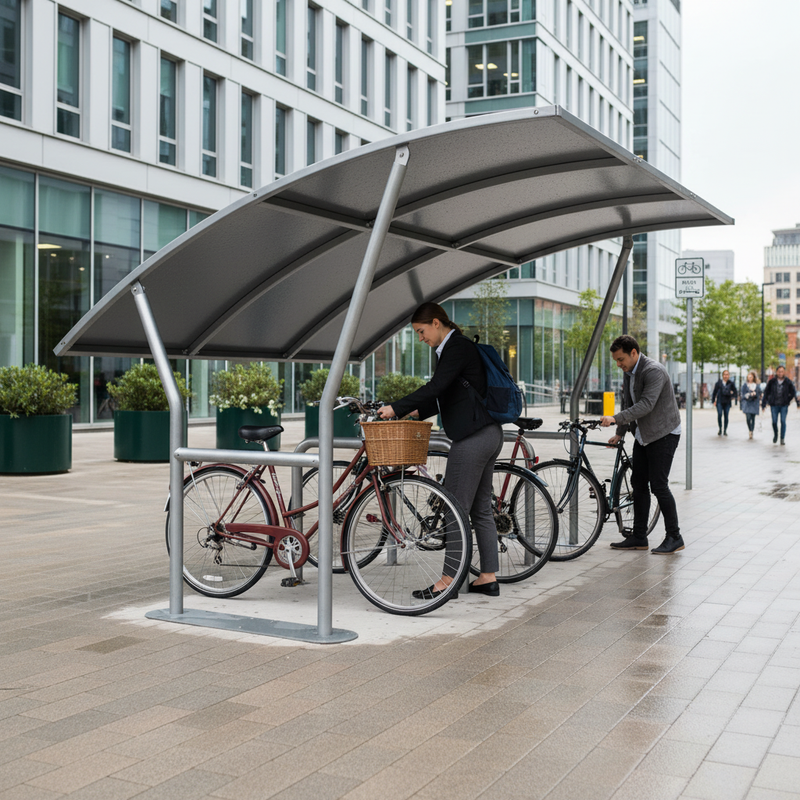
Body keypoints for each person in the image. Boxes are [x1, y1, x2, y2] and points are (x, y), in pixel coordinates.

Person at [377, 302, 504, 598]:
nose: (421, 338)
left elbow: (435, 387)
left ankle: (448, 582)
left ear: (436, 323)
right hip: (489, 434)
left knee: (454, 509)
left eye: (421, 331)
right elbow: (441, 398)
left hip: (472, 438)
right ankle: (488, 576)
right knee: (480, 510)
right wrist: (411, 413)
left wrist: (396, 406)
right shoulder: (454, 350)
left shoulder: (456, 347)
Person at [600, 334, 684, 554]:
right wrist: (620, 432)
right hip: (643, 434)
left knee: (658, 485)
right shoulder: (630, 372)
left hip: (664, 432)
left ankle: (675, 536)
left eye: (621, 359)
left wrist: (616, 418)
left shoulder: (653, 371)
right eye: (616, 360)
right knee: (638, 484)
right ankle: (639, 537)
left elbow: (646, 404)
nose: (619, 365)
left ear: (634, 353)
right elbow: (628, 402)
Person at [761, 365, 799, 445]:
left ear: (784, 372)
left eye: (782, 371)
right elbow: (766, 392)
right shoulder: (772, 381)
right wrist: (764, 404)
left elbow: (793, 392)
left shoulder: (788, 382)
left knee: (783, 421)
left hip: (784, 405)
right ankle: (775, 434)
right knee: (774, 421)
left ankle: (782, 438)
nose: (780, 373)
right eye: (779, 371)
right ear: (777, 372)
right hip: (774, 405)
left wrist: (790, 400)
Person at [711, 369, 737, 436]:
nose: (726, 376)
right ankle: (720, 429)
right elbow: (714, 392)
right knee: (719, 414)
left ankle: (725, 430)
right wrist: (713, 400)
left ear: (729, 376)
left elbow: (735, 392)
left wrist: (731, 394)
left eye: (727, 374)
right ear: (722, 375)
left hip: (727, 402)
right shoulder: (718, 383)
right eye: (724, 374)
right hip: (719, 401)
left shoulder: (731, 383)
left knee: (726, 416)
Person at [740, 371, 761, 440]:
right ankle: (750, 429)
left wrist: (755, 394)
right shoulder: (745, 385)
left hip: (754, 403)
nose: (750, 378)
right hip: (747, 403)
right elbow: (742, 393)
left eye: (751, 377)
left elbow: (759, 393)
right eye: (748, 377)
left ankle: (752, 431)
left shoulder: (756, 385)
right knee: (748, 418)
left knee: (753, 418)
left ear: (753, 377)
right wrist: (747, 395)